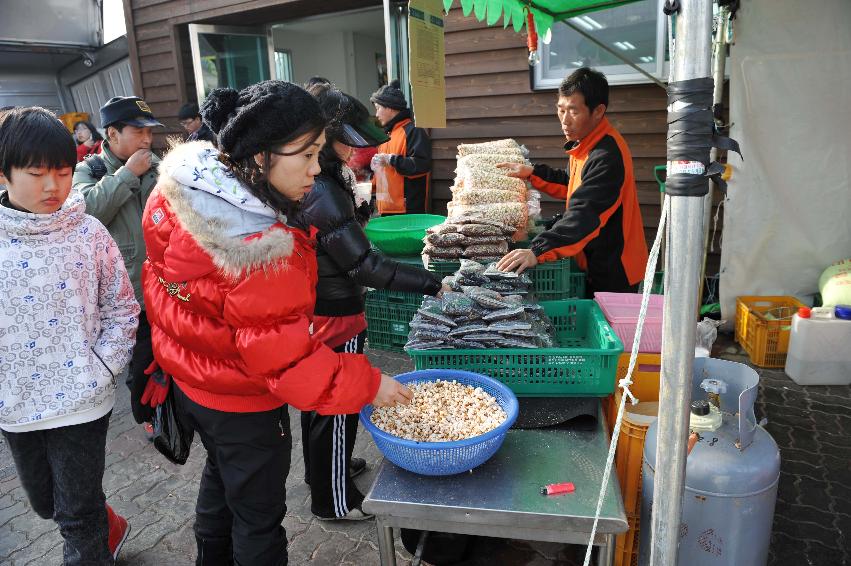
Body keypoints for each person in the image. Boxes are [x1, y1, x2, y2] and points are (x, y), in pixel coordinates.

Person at [140, 80, 412, 565]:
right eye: (305, 155)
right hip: (243, 402)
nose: (316, 169)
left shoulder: (178, 193)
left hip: (193, 381)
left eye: (319, 153)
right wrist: (371, 384)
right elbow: (287, 361)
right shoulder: (263, 251)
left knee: (221, 481)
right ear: (259, 156)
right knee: (259, 517)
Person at [291, 88, 444, 521]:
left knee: (318, 402)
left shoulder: (322, 179)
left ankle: (324, 472)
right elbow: (367, 267)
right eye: (349, 142)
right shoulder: (322, 190)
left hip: (319, 309)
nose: (357, 151)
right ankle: (334, 500)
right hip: (334, 314)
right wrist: (433, 285)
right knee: (339, 402)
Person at [0, 107, 140, 565]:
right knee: (48, 505)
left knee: (76, 515)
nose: (52, 186)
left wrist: (102, 367)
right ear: (4, 174)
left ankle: (95, 535)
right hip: (16, 403)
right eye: (36, 173)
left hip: (82, 397)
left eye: (62, 172)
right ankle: (107, 525)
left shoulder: (88, 232)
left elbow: (122, 305)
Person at [496, 67, 648, 294]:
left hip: (615, 268)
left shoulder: (607, 156)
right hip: (591, 257)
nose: (564, 121)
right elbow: (570, 184)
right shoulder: (586, 143)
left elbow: (585, 215)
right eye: (561, 110)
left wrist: (537, 250)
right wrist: (532, 173)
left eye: (573, 111)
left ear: (598, 111)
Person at [73, 96, 162, 427]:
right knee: (140, 363)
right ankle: (148, 419)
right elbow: (86, 213)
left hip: (165, 286)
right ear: (112, 134)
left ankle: (174, 413)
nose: (146, 140)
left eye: (150, 132)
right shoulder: (89, 170)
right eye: (138, 131)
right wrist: (127, 174)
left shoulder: (156, 166)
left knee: (169, 355)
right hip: (126, 295)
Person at [369, 79, 432, 214]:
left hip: (407, 212)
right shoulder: (386, 135)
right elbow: (383, 174)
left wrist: (392, 160)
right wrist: (369, 186)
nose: (376, 114)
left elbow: (422, 166)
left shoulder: (414, 131)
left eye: (378, 108)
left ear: (390, 107)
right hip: (385, 209)